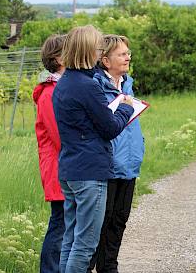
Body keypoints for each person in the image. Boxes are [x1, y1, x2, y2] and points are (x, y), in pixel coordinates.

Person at [53, 25, 135, 273]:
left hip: (69, 169)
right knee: (86, 244)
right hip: (90, 171)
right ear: (88, 50)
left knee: (71, 239)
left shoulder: (65, 82)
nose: (101, 54)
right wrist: (126, 107)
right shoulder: (87, 86)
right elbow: (109, 127)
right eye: (99, 49)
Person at [89, 35, 145, 273]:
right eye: (122, 54)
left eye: (128, 53)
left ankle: (109, 268)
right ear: (105, 60)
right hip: (108, 166)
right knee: (99, 225)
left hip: (129, 165)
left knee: (119, 222)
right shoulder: (96, 87)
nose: (128, 57)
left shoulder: (127, 84)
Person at [33, 34, 68, 273]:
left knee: (64, 224)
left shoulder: (59, 88)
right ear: (57, 58)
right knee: (59, 224)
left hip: (64, 164)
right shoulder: (49, 93)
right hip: (58, 167)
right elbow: (59, 135)